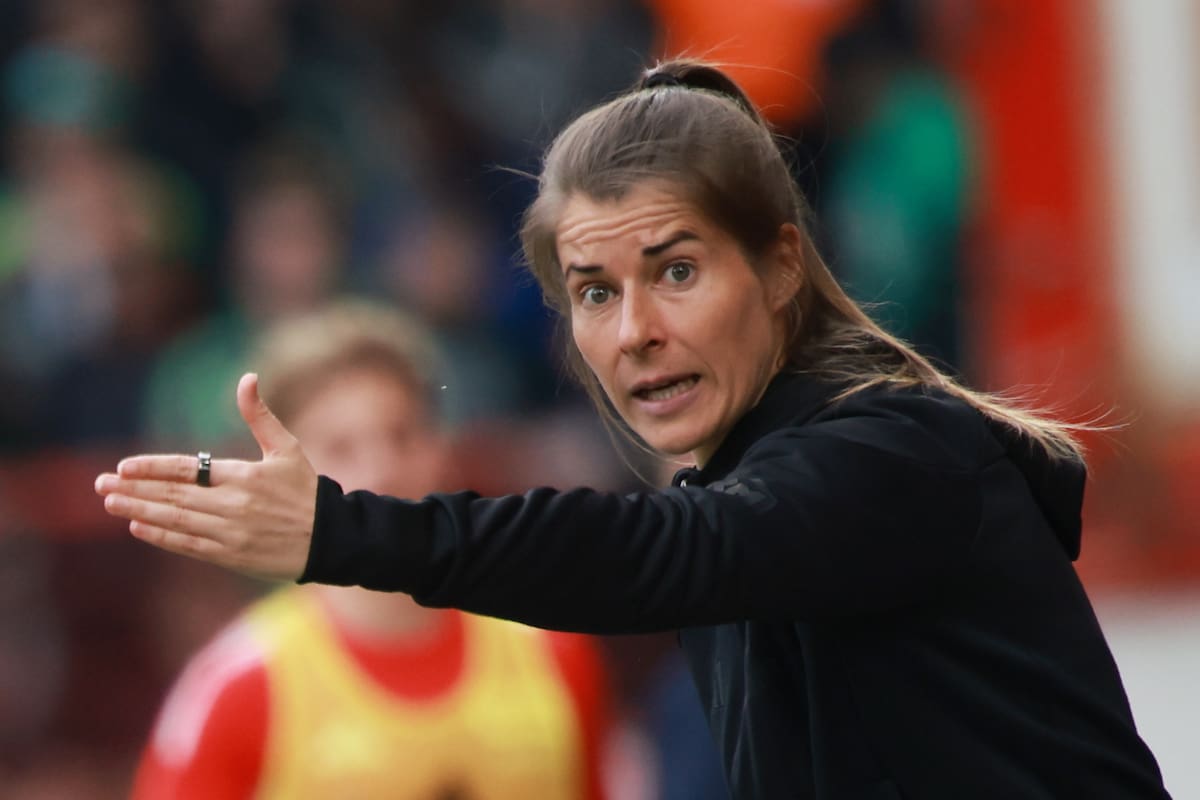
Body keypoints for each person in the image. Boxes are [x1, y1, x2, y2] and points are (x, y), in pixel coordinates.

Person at [96, 60, 1171, 799]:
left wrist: (342, 531)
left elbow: (662, 555)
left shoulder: (890, 452)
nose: (638, 331)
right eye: (595, 291)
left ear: (783, 264)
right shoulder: (729, 514)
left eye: (678, 270)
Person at [129, 300, 612, 800]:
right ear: (282, 477)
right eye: (341, 448)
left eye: (403, 436)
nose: (383, 472)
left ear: (443, 447)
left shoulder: (551, 650)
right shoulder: (238, 685)